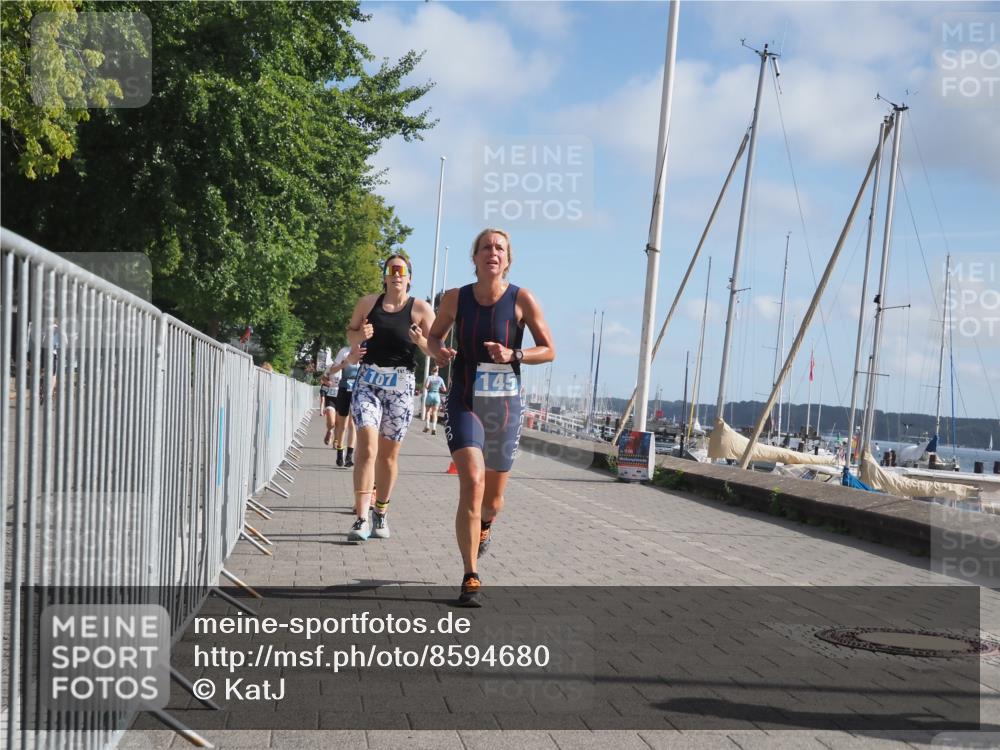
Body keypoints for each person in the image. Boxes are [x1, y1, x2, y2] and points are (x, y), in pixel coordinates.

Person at [428, 228, 555, 606]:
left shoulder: (522, 300)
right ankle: (470, 575)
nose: (492, 253)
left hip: (503, 406)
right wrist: (439, 352)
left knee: (493, 501)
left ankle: (485, 526)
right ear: (476, 257)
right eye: (486, 247)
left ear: (508, 258)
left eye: (500, 248)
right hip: (465, 400)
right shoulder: (455, 299)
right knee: (473, 480)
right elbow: (435, 337)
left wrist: (514, 355)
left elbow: (548, 350)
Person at [344, 253, 434, 541]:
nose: (396, 274)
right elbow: (351, 335)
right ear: (384, 275)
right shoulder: (368, 304)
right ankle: (360, 518)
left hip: (401, 386)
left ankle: (380, 511)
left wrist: (421, 341)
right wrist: (360, 337)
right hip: (368, 381)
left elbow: (436, 349)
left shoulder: (420, 309)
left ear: (409, 277)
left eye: (402, 270)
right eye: (391, 269)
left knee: (388, 456)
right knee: (367, 448)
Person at [327, 344, 361, 466]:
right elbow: (332, 370)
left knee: (353, 424)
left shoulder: (365, 351)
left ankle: (349, 457)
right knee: (343, 425)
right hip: (344, 389)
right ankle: (340, 453)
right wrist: (344, 364)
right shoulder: (344, 351)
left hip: (359, 391)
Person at [422, 365, 447, 435]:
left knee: (428, 412)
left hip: (430, 394)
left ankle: (427, 426)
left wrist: (429, 386)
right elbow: (444, 389)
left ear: (431, 371)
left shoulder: (429, 377)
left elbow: (426, 386)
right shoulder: (440, 379)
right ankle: (434, 428)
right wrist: (439, 387)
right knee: (435, 413)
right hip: (437, 396)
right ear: (437, 371)